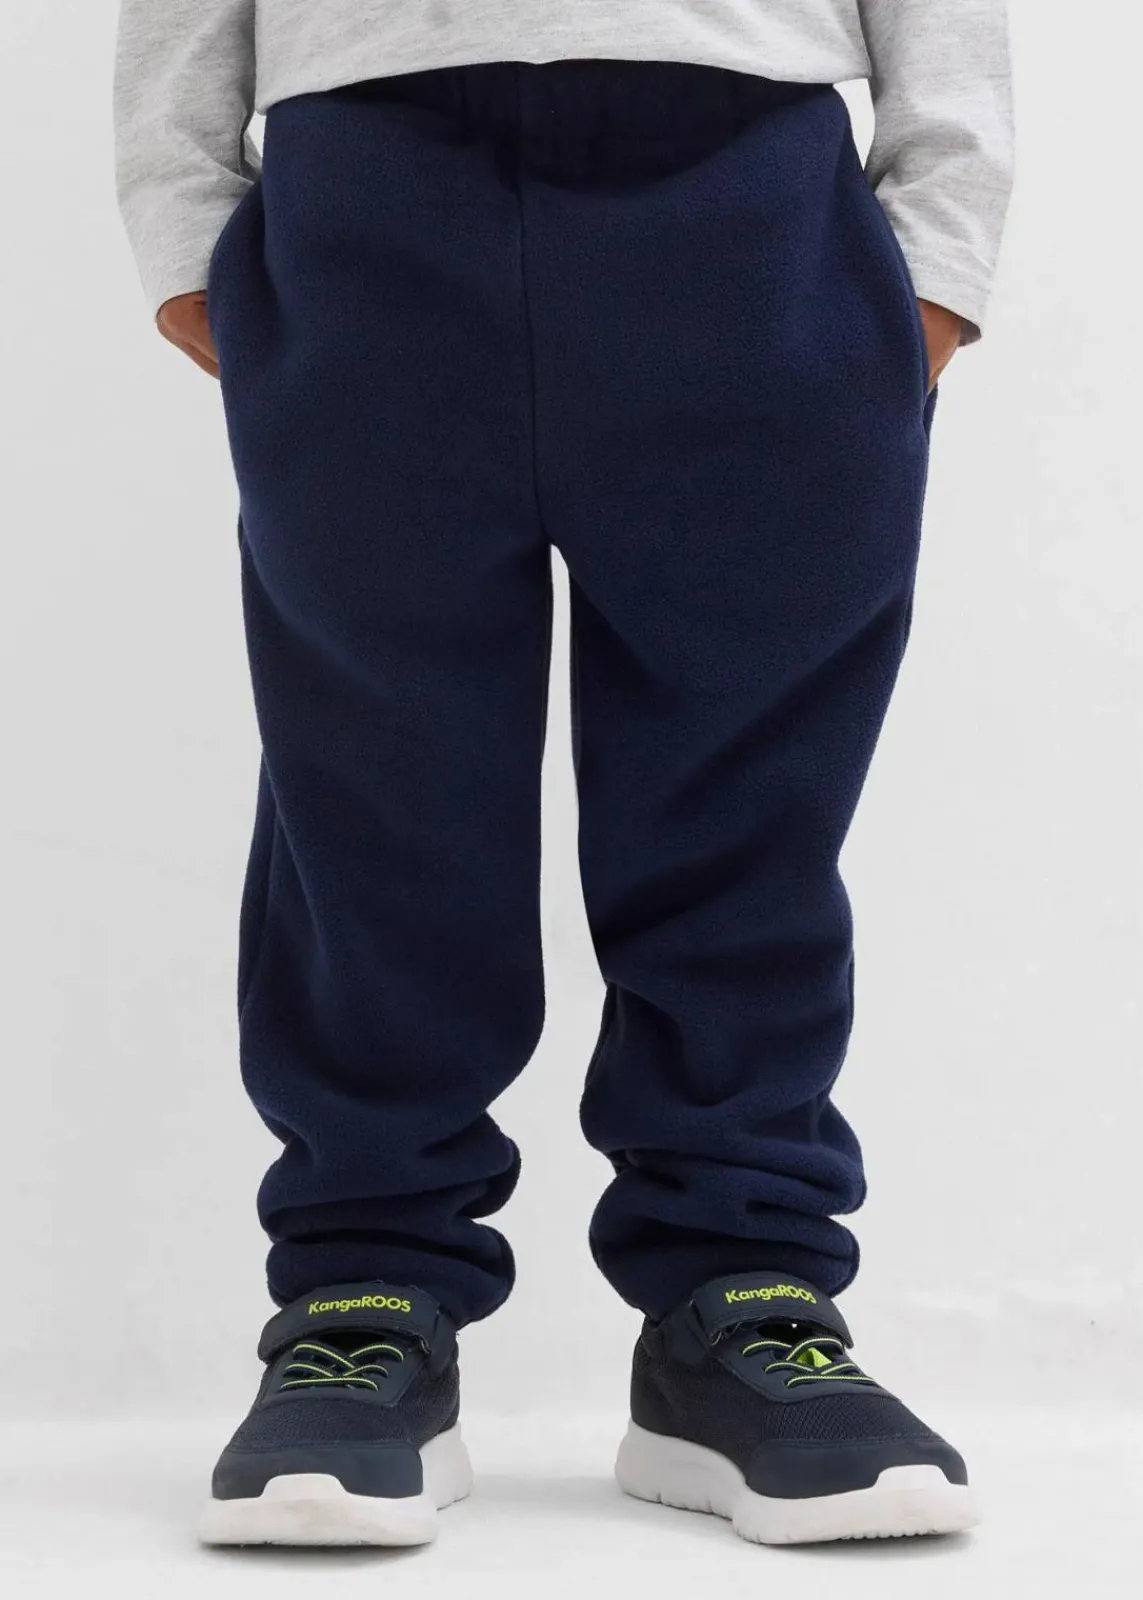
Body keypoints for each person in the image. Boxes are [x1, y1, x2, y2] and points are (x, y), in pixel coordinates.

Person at [115, 0, 1013, 1551]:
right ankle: (362, 1296)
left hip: (749, 194)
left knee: (748, 800)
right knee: (373, 793)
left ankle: (741, 1295)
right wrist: (184, 222)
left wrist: (934, 251)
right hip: (368, 181)